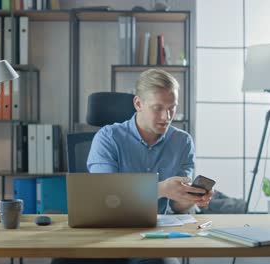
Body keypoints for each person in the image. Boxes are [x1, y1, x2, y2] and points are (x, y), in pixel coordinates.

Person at [52, 69, 213, 264]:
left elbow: (177, 207)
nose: (166, 116)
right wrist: (161, 188)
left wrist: (191, 198)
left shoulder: (183, 142)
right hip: (105, 234)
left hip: (152, 239)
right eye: (158, 108)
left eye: (172, 107)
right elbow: (106, 195)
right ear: (138, 104)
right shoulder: (108, 137)